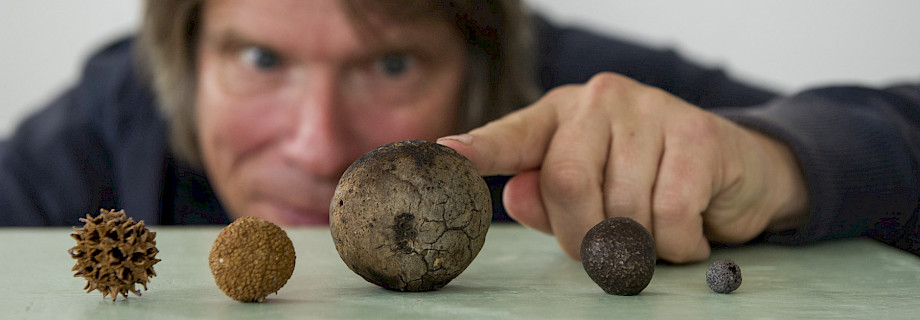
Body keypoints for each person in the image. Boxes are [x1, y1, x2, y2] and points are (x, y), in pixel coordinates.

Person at [1, 0, 917, 263]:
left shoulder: (581, 90)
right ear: (184, 57)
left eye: (392, 65)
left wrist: (778, 159)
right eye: (262, 62)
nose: (319, 148)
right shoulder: (111, 120)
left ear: (485, 67)